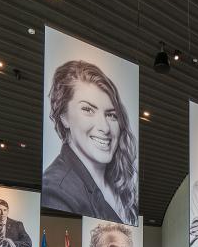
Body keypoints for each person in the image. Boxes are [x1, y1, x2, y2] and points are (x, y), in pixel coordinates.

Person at [42, 60, 138, 225]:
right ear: (64, 116)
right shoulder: (57, 190)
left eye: (111, 115)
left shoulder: (120, 182)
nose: (105, 128)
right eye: (88, 110)